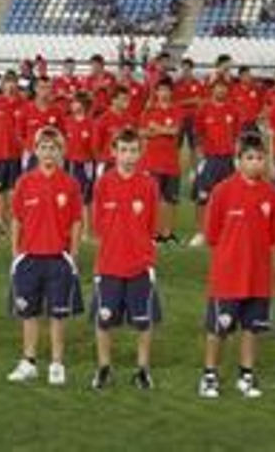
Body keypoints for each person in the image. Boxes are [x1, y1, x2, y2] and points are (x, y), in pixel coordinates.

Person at [199, 133, 275, 401]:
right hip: (228, 277)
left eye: (260, 158)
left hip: (258, 276)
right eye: (249, 158)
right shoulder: (223, 192)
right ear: (238, 161)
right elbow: (212, 235)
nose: (255, 163)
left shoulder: (271, 195)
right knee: (219, 329)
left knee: (251, 328)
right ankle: (209, 374)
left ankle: (246, 374)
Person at [6, 127, 84, 386]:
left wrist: (72, 254)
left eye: (54, 148)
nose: (48, 152)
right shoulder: (25, 182)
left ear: (61, 152)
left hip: (58, 258)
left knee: (57, 314)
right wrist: (16, 253)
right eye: (44, 147)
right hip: (29, 256)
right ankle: (29, 361)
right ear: (35, 151)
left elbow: (75, 221)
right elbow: (16, 218)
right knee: (29, 312)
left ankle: (56, 363)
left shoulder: (69, 184)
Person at [90, 128, 161, 390]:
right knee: (104, 319)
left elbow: (153, 225)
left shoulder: (148, 184)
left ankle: (142, 369)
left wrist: (144, 252)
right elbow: (98, 224)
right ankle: (104, 367)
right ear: (114, 152)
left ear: (140, 153)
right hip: (109, 264)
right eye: (123, 150)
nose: (128, 156)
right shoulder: (104, 184)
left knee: (143, 321)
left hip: (140, 265)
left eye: (133, 150)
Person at [188, 79, 240, 245]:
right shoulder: (204, 109)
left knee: (229, 197)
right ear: (213, 90)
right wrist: (197, 162)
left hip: (228, 159)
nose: (221, 91)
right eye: (218, 88)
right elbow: (197, 136)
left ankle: (225, 230)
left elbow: (237, 136)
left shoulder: (233, 110)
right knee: (202, 196)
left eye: (224, 88)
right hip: (209, 159)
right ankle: (200, 232)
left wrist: (237, 158)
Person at [138, 81, 182, 244]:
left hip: (171, 163)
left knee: (170, 200)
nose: (164, 93)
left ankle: (168, 234)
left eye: (167, 90)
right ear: (156, 92)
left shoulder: (176, 110)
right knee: (153, 200)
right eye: (161, 90)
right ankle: (154, 233)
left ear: (171, 93)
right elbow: (142, 132)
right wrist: (163, 130)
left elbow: (175, 131)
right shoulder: (148, 111)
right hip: (152, 162)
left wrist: (156, 129)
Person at [0, 70, 26, 228]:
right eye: (7, 83)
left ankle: (11, 220)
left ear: (17, 85)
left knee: (14, 190)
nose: (10, 86)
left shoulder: (23, 104)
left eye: (13, 82)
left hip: (17, 154)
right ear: (2, 85)